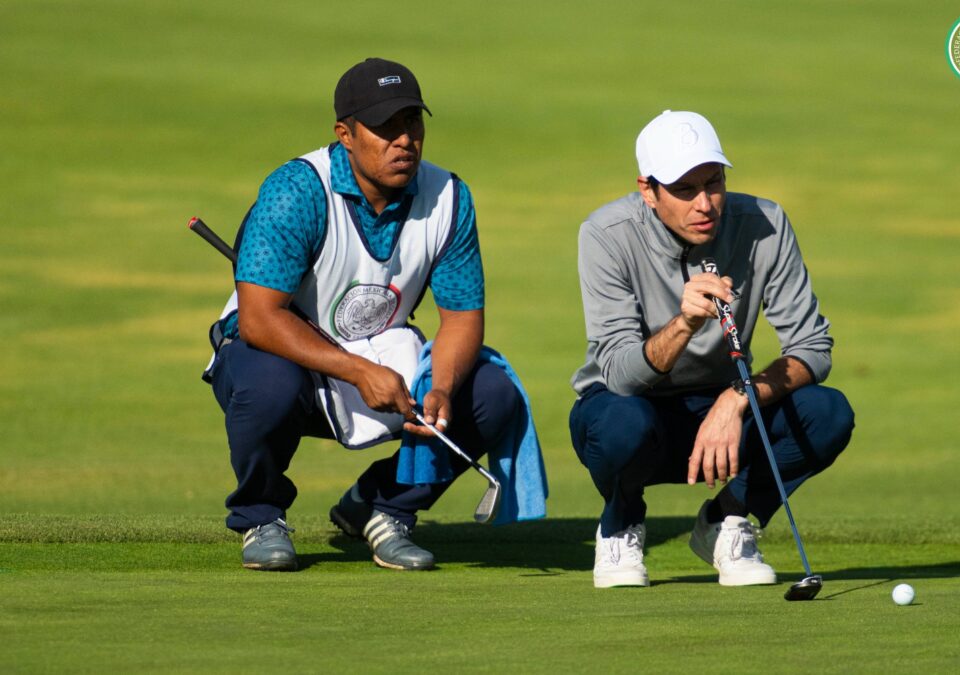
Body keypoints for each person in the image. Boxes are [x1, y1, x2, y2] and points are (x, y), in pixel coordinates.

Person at [204, 58, 540, 572]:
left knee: (492, 393)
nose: (403, 140)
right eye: (385, 128)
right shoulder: (296, 191)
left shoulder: (449, 198)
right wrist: (357, 371)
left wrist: (444, 388)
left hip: (384, 352)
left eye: (412, 122)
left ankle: (383, 508)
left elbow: (462, 318)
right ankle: (261, 514)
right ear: (345, 134)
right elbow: (259, 319)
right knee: (266, 383)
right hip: (279, 353)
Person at [569, 110, 854, 588]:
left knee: (827, 414)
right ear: (648, 190)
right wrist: (684, 323)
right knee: (622, 425)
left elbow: (813, 347)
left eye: (714, 183)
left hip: (722, 416)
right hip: (632, 411)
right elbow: (618, 375)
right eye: (684, 190)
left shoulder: (765, 223)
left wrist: (737, 398)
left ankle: (728, 521)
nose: (705, 204)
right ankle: (620, 524)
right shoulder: (605, 234)